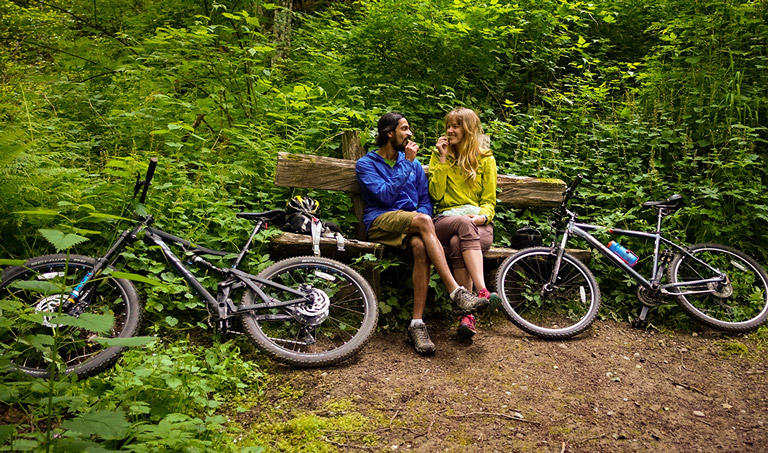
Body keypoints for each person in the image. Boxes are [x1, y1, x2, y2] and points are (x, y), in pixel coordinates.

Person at [355, 111, 489, 355]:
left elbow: (426, 201)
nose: (410, 134)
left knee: (420, 246)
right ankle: (456, 291)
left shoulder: (415, 165)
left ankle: (416, 324)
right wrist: (405, 164)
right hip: (381, 223)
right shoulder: (367, 164)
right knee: (424, 220)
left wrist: (421, 216)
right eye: (405, 129)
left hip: (412, 225)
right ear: (389, 133)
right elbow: (384, 196)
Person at [429, 107, 500, 338]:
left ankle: (466, 316)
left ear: (468, 129)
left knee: (460, 241)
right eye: (448, 126)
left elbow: (489, 201)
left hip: (478, 224)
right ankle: (482, 291)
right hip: (445, 220)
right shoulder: (440, 154)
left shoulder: (485, 158)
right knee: (461, 226)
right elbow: (436, 196)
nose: (449, 131)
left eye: (455, 126)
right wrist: (442, 158)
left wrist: (481, 217)